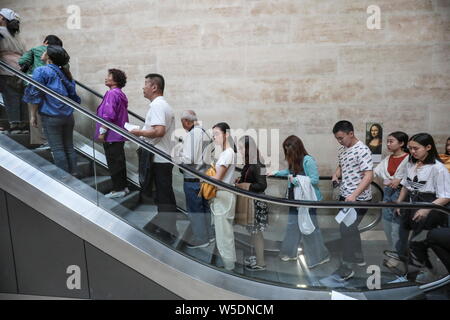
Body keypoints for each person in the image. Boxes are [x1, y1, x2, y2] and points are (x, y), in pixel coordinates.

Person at [131, 73, 177, 244]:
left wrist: (138, 132)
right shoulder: (162, 105)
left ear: (154, 87)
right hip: (162, 158)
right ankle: (168, 228)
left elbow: (159, 131)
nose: (143, 88)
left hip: (159, 159)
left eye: (145, 84)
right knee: (164, 196)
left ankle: (167, 232)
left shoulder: (158, 106)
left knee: (164, 197)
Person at [395, 133, 450, 275]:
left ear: (428, 147)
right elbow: (406, 185)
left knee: (417, 243)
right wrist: (399, 203)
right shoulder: (411, 163)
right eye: (410, 148)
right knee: (402, 240)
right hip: (411, 205)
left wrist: (426, 209)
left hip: (429, 207)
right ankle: (408, 271)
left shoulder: (438, 168)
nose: (412, 152)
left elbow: (446, 196)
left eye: (416, 148)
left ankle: (428, 272)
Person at [272, 135, 330, 269]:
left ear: (297, 149)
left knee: (310, 229)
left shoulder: (308, 160)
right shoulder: (295, 160)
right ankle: (289, 253)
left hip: (308, 200)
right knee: (292, 226)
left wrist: (296, 180)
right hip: (295, 198)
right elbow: (290, 171)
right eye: (286, 150)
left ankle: (320, 256)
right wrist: (276, 172)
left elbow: (314, 179)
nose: (287, 154)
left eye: (289, 150)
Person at [23, 45, 81, 176]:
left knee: (57, 148)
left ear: (49, 57)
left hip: (51, 115)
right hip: (67, 115)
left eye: (45, 52)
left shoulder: (41, 70)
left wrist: (33, 115)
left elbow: (34, 94)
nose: (42, 53)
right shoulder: (64, 72)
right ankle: (74, 173)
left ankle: (64, 178)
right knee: (69, 147)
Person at [331, 120, 374, 281]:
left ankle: (347, 266)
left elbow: (369, 175)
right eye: (337, 138)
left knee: (346, 230)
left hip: (358, 200)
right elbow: (341, 165)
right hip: (345, 196)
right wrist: (336, 174)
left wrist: (355, 195)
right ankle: (358, 256)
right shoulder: (343, 150)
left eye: (341, 137)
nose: (339, 141)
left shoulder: (362, 150)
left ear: (351, 133)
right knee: (350, 228)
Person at [178, 110, 214, 248]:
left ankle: (201, 239)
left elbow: (189, 158)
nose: (183, 126)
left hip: (193, 179)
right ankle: (209, 235)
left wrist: (177, 156)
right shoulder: (203, 131)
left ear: (187, 121)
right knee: (204, 208)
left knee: (195, 211)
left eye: (183, 123)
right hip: (203, 177)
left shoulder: (192, 134)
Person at [19, 35, 63, 146]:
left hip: (34, 84)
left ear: (46, 42)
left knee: (34, 114)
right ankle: (53, 140)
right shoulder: (58, 53)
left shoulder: (35, 50)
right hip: (51, 88)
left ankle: (39, 141)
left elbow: (22, 61)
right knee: (50, 113)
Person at [373, 132, 409, 264]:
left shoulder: (409, 158)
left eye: (391, 141)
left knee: (396, 228)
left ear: (401, 143)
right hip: (388, 194)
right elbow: (376, 171)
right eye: (387, 141)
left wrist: (399, 181)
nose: (388, 144)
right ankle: (394, 251)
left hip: (401, 194)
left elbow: (412, 176)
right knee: (387, 226)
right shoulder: (388, 158)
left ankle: (397, 256)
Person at [235, 135, 268, 271]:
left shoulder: (258, 163)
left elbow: (262, 185)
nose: (240, 151)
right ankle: (257, 257)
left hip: (256, 203)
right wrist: (240, 180)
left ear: (249, 148)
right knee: (254, 232)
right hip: (252, 201)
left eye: (242, 148)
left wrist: (244, 185)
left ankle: (261, 263)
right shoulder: (250, 163)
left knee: (257, 233)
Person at [95, 69, 129, 199]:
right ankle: (123, 187)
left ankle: (118, 189)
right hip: (118, 135)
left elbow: (108, 115)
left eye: (109, 76)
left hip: (111, 135)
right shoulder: (120, 94)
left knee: (113, 161)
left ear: (115, 80)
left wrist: (102, 132)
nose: (106, 78)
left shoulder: (111, 94)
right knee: (119, 161)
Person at [209, 122, 237, 271]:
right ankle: (228, 264)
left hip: (224, 195)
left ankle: (229, 267)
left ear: (226, 135)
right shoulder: (227, 153)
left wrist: (203, 178)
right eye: (213, 135)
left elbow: (218, 178)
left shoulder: (228, 153)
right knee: (224, 233)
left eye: (217, 134)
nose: (215, 137)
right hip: (224, 195)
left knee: (223, 234)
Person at [0, 8, 28, 134]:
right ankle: (22, 125)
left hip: (6, 68)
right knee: (20, 98)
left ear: (2, 19)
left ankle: (15, 125)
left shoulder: (1, 32)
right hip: (20, 69)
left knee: (10, 97)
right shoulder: (18, 36)